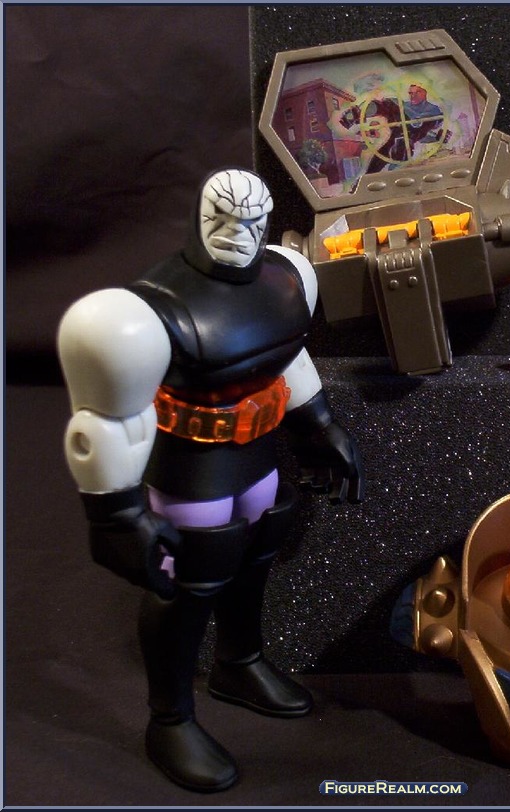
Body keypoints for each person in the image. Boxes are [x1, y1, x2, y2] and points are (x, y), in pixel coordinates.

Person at [57, 167, 364, 793]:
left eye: (250, 222)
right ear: (200, 217)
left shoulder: (288, 276)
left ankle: (239, 663)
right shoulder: (147, 309)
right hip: (191, 469)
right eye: (221, 218)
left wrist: (318, 424)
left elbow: (287, 354)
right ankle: (169, 719)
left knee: (256, 549)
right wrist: (116, 515)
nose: (236, 233)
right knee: (189, 582)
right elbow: (110, 419)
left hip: (259, 452)